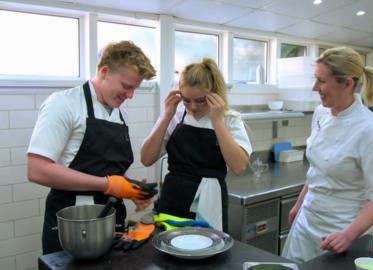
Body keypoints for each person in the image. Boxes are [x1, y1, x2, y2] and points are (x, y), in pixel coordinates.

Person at [27, 41, 157, 255]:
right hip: (72, 220)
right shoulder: (63, 103)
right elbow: (37, 169)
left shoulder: (119, 112)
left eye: (134, 88)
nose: (130, 95)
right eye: (126, 86)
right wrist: (108, 185)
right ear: (104, 72)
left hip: (113, 217)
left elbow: (107, 164)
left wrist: (129, 188)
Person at [281, 47, 373, 263]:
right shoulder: (321, 112)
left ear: (348, 83)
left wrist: (348, 235)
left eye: (322, 81)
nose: (315, 87)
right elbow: (318, 169)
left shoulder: (370, 130)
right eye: (316, 79)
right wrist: (299, 203)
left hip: (341, 230)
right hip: (306, 221)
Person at [140, 58, 252, 232]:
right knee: (170, 250)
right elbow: (146, 159)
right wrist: (166, 116)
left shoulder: (229, 119)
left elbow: (238, 166)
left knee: (206, 250)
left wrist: (216, 120)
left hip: (209, 201)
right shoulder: (175, 115)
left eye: (200, 101)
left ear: (214, 94)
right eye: (186, 100)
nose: (192, 107)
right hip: (174, 198)